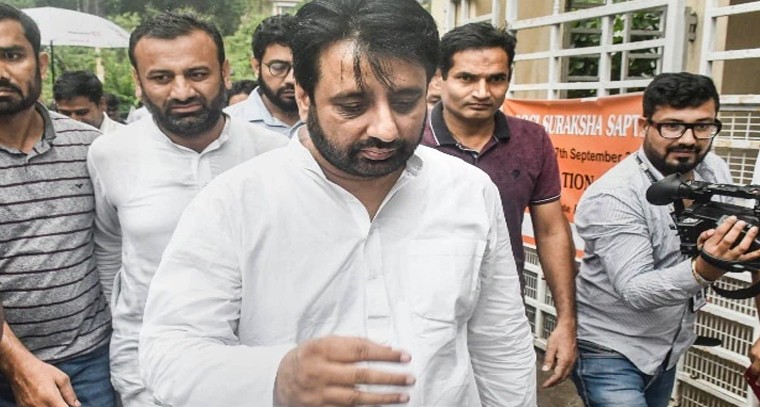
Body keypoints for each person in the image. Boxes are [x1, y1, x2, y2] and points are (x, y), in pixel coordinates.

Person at [139, 0, 537, 405]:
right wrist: (273, 377)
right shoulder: (233, 204)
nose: (385, 129)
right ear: (304, 96)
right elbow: (169, 354)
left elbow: (501, 343)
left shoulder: (469, 191)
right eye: (352, 106)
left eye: (405, 102)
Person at [88, 12, 288, 407]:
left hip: (252, 371)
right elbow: (109, 248)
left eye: (197, 74)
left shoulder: (274, 154)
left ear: (225, 72)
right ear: (137, 81)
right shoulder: (110, 154)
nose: (182, 92)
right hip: (147, 374)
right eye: (161, 78)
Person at [572, 72, 760, 407]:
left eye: (702, 126)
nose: (688, 139)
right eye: (672, 126)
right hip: (608, 350)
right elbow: (635, 290)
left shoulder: (713, 170)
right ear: (644, 125)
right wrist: (705, 268)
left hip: (667, 350)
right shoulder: (615, 194)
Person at [421, 22, 577, 388]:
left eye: (496, 79)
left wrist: (566, 321)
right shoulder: (411, 139)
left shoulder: (531, 140)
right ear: (439, 78)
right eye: (467, 78)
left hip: (502, 310)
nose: (482, 92)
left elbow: (551, 231)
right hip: (423, 313)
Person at [0, 4, 115, 406]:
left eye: (12, 55)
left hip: (91, 363)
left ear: (42, 63)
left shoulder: (90, 147)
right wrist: (17, 363)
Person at [225, 14, 299, 136]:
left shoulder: (328, 121)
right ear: (256, 66)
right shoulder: (227, 126)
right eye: (278, 68)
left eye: (301, 68)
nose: (291, 79)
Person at [53, 70, 125, 133]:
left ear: (102, 104)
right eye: (65, 113)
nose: (73, 120)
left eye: (81, 112)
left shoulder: (124, 138)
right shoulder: (52, 138)